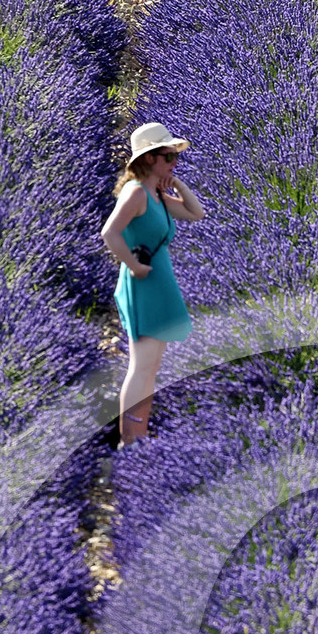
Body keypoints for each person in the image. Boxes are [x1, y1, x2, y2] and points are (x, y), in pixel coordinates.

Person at [101, 121, 205, 442]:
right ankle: (129, 439)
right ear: (148, 159)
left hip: (159, 284)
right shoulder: (135, 193)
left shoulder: (156, 194)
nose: (174, 161)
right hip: (143, 284)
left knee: (151, 367)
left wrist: (177, 184)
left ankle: (139, 434)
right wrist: (132, 266)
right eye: (169, 157)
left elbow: (196, 213)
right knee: (141, 367)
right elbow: (110, 233)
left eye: (176, 157)